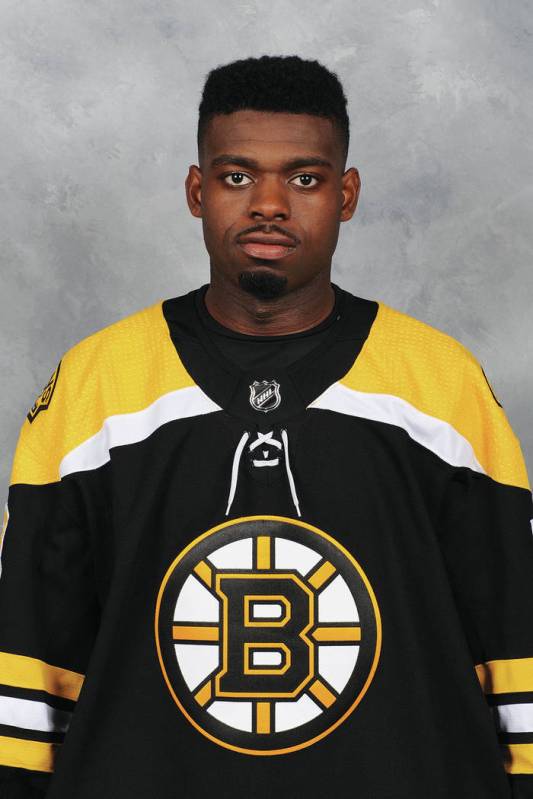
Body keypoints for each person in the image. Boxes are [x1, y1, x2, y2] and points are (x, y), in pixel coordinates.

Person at [0, 54, 532, 799]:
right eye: (237, 175)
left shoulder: (441, 387)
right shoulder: (95, 386)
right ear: (196, 189)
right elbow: (29, 667)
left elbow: (514, 653)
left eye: (305, 179)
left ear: (345, 195)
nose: (270, 204)